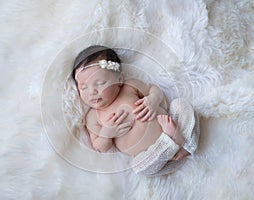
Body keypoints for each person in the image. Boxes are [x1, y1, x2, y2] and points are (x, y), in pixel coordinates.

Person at [71, 45, 200, 176]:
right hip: (153, 156)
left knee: (180, 104)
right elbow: (99, 147)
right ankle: (169, 144)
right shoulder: (92, 117)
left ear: (119, 79)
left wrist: (153, 99)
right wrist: (106, 133)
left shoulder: (129, 87)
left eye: (100, 83)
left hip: (176, 129)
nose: (92, 92)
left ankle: (186, 143)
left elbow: (153, 89)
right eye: (84, 87)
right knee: (138, 166)